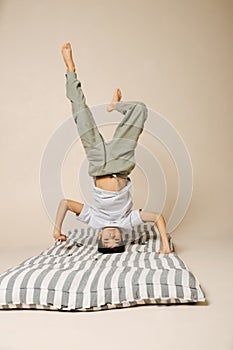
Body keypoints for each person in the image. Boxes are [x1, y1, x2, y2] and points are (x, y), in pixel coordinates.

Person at [52, 42, 173, 254]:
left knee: (80, 114)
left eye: (106, 242)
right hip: (121, 161)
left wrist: (57, 229)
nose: (111, 239)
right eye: (116, 242)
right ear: (121, 238)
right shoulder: (128, 222)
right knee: (140, 110)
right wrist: (164, 244)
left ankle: (70, 70)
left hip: (98, 162)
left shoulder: (94, 220)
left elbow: (65, 204)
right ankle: (115, 106)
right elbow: (157, 218)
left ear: (99, 237)